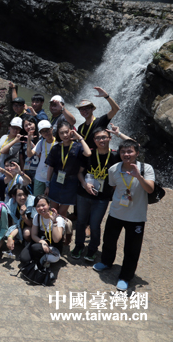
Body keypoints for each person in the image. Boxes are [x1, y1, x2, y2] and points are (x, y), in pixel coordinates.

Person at [93, 139, 155, 292]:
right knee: (109, 240)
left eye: (130, 151)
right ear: (119, 153)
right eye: (123, 152)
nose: (126, 154)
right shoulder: (114, 169)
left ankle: (125, 276)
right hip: (116, 212)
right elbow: (114, 186)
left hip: (136, 216)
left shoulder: (146, 168)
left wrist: (138, 176)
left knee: (132, 249)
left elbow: (150, 190)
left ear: (137, 153)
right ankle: (107, 262)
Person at [72, 127, 122, 262]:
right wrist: (84, 184)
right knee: (81, 222)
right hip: (83, 194)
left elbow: (135, 146)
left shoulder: (115, 156)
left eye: (104, 137)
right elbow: (80, 172)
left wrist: (119, 133)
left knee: (95, 224)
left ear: (110, 138)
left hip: (102, 197)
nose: (101, 140)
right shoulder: (89, 154)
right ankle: (78, 246)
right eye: (98, 138)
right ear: (94, 140)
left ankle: (93, 248)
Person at [46, 121, 91, 216]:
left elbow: (88, 153)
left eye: (67, 132)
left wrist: (79, 138)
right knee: (53, 210)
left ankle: (62, 230)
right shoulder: (56, 148)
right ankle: (54, 230)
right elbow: (50, 167)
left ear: (71, 131)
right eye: (61, 133)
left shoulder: (78, 146)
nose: (65, 135)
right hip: (56, 181)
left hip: (71, 182)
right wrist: (47, 184)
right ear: (58, 134)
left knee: (62, 212)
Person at [20, 195, 65, 267]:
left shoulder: (58, 219)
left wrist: (54, 222)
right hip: (40, 242)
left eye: (43, 205)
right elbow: (33, 235)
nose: (41, 208)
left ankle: (40, 260)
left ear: (49, 205)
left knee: (36, 248)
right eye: (38, 206)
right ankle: (41, 259)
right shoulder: (37, 217)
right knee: (23, 258)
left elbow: (56, 240)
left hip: (53, 246)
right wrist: (43, 242)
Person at [4, 185, 36, 252]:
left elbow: (32, 224)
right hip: (19, 225)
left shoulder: (33, 202)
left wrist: (23, 215)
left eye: (25, 194)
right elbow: (14, 223)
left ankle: (29, 243)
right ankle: (17, 240)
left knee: (27, 233)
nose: (23, 197)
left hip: (32, 226)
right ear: (14, 196)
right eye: (19, 195)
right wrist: (11, 236)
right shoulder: (11, 203)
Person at [30, 120, 56, 196]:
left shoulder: (58, 143)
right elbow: (29, 154)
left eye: (47, 130)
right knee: (37, 200)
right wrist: (29, 141)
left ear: (52, 128)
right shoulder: (41, 142)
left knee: (50, 203)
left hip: (53, 177)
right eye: (43, 131)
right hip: (39, 176)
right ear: (40, 133)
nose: (46, 133)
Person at [21, 116, 40, 182]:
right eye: (26, 125)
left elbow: (41, 154)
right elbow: (21, 156)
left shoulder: (41, 138)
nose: (28, 127)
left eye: (30, 124)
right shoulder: (23, 139)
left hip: (38, 171)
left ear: (35, 124)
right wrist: (23, 171)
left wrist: (30, 142)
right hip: (27, 170)